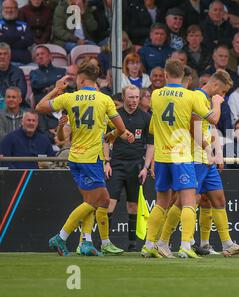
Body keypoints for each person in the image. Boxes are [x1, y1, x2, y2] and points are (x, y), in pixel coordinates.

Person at [35, 62, 134, 256]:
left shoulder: (69, 98)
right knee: (102, 199)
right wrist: (114, 135)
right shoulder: (104, 100)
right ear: (94, 80)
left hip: (74, 157)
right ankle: (61, 237)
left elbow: (39, 106)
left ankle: (86, 242)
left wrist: (56, 89)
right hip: (91, 158)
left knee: (90, 200)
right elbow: (121, 127)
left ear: (80, 79)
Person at [156, 70, 239, 258]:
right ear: (215, 86)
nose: (223, 96)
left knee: (218, 199)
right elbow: (194, 128)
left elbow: (212, 128)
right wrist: (209, 151)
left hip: (206, 159)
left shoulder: (205, 99)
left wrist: (218, 154)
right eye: (223, 92)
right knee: (183, 201)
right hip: (195, 158)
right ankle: (163, 241)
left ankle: (227, 243)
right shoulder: (197, 97)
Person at [140, 59, 222, 259]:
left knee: (161, 203)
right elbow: (213, 120)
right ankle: (185, 245)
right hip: (182, 157)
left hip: (161, 157)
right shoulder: (190, 96)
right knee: (188, 202)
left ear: (166, 75)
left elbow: (152, 127)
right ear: (186, 77)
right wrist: (217, 103)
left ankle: (149, 244)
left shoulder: (156, 95)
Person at [103, 85, 153, 253]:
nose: (134, 101)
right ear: (124, 97)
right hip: (116, 164)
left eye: (136, 97)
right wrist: (106, 162)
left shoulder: (146, 117)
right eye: (130, 97)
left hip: (136, 166)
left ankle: (132, 245)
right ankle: (105, 243)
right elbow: (106, 140)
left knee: (133, 206)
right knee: (109, 204)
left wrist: (146, 167)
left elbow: (151, 145)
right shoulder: (115, 116)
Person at [0, 0, 33, 64]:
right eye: (7, 8)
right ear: (2, 9)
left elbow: (30, 41)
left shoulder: (24, 25)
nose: (10, 10)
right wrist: (20, 37)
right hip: (3, 63)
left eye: (12, 8)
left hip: (23, 62)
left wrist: (6, 38)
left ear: (17, 10)